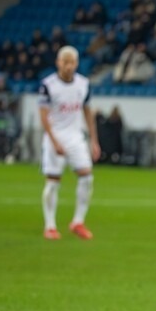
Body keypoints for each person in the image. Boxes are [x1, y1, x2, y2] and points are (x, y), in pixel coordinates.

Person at [38, 46, 101, 240]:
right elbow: (43, 116)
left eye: (71, 62)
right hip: (55, 137)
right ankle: (50, 226)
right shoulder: (48, 85)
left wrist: (94, 140)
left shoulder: (83, 84)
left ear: (76, 64)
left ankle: (78, 222)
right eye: (65, 62)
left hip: (75, 137)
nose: (68, 66)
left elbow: (87, 112)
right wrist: (53, 140)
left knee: (87, 177)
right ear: (58, 63)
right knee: (53, 182)